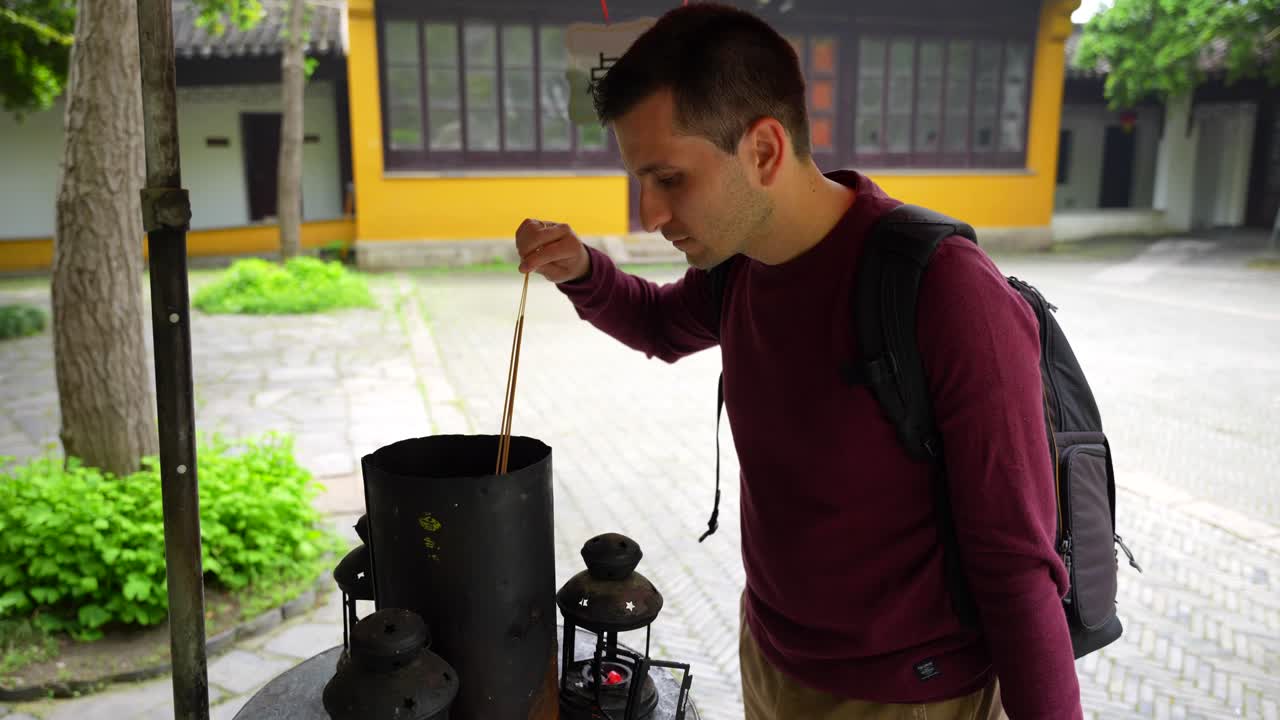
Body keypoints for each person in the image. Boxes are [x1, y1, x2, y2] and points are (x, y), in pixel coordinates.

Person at [514, 4, 1083, 719]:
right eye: (640, 182)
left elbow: (1016, 568)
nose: (649, 214)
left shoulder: (942, 290)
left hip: (911, 697)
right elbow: (661, 324)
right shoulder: (741, 266)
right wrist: (581, 270)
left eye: (669, 179)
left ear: (763, 150)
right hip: (772, 661)